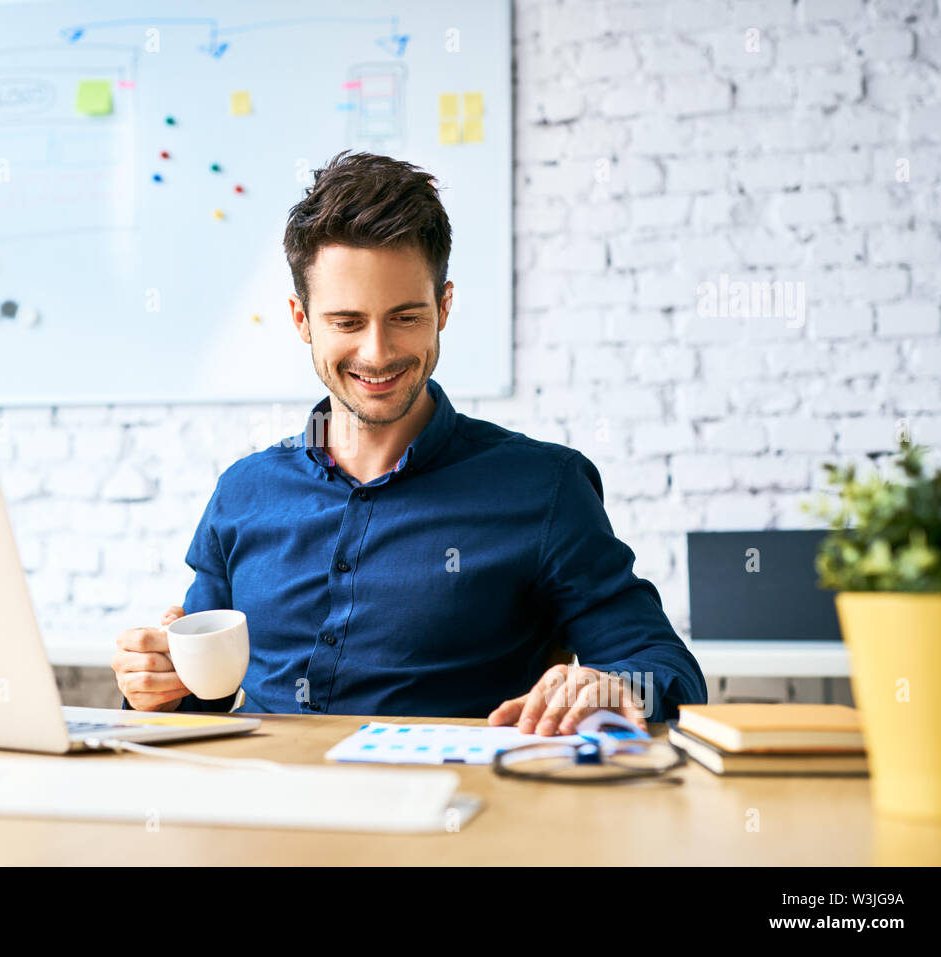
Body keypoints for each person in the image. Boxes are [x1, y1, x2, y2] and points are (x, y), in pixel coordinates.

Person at [112, 150, 706, 735]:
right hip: (266, 811)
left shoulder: (545, 489)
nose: (377, 353)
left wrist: (614, 684)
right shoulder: (244, 492)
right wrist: (156, 687)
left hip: (453, 815)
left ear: (443, 307)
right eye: (347, 322)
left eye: (405, 317)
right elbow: (200, 702)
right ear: (301, 320)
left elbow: (670, 673)